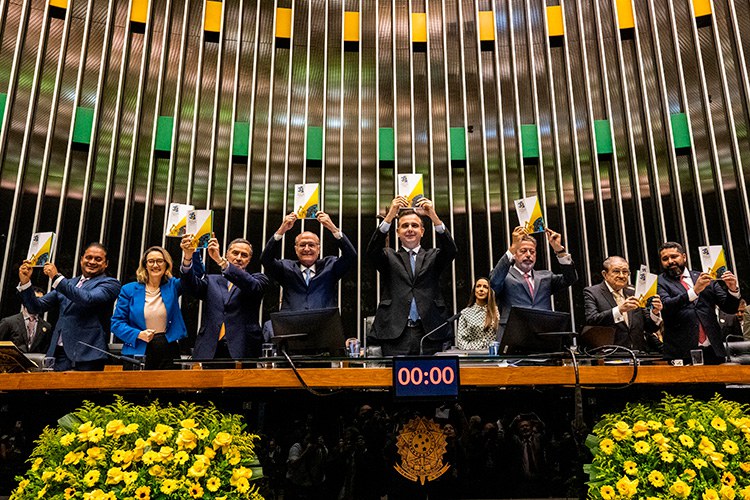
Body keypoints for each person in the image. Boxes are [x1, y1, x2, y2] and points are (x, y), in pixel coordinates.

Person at [366, 196, 457, 355]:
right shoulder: (388, 256)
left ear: (422, 231)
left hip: (429, 332)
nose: (410, 229)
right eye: (404, 226)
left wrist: (433, 216)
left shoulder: (433, 256)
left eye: (415, 225)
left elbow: (451, 250)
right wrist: (390, 215)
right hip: (395, 334)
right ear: (398, 232)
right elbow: (372, 251)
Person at [16, 243, 121, 371]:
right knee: (54, 390)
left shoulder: (110, 283)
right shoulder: (70, 283)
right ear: (81, 259)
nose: (92, 262)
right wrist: (25, 282)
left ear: (106, 264)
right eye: (88, 257)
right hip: (58, 353)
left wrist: (56, 277)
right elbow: (36, 307)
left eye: (98, 259)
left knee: (82, 391)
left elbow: (87, 298)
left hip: (88, 354)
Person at [180, 233, 270, 360]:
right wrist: (188, 257)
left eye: (244, 255)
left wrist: (221, 261)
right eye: (235, 253)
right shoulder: (211, 280)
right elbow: (190, 287)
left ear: (249, 260)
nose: (239, 258)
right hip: (210, 348)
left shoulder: (258, 279)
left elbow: (251, 286)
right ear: (227, 254)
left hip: (244, 348)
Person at [657, 241, 740, 364]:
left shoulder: (704, 276)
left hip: (712, 350)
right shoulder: (660, 281)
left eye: (674, 256)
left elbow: (729, 308)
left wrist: (733, 289)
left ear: (684, 257)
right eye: (665, 259)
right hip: (681, 351)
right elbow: (667, 306)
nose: (670, 261)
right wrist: (694, 291)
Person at [260, 211, 357, 311]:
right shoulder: (286, 267)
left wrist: (333, 229)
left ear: (318, 249)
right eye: (302, 245)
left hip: (324, 323)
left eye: (311, 245)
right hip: (292, 324)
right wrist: (281, 231)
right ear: (296, 249)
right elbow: (266, 259)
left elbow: (351, 256)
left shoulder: (330, 266)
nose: (306, 249)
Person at [489, 226, 577, 334]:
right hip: (513, 334)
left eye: (532, 251)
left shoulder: (546, 276)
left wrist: (559, 250)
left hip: (543, 333)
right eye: (523, 251)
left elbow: (570, 279)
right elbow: (494, 282)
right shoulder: (504, 276)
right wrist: (512, 247)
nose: (528, 255)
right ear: (515, 255)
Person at [111, 246, 187, 370]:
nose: (155, 265)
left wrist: (189, 255)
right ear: (145, 265)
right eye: (151, 261)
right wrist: (138, 334)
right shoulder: (129, 289)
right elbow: (116, 324)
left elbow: (191, 278)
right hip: (137, 349)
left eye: (160, 261)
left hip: (167, 349)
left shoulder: (173, 286)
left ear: (166, 264)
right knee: (137, 389)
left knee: (166, 389)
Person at [583, 256, 663, 353]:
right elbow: (591, 320)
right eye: (616, 271)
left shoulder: (634, 292)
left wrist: (655, 312)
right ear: (605, 274)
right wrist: (619, 310)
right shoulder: (592, 292)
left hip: (638, 355)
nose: (622, 276)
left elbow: (650, 328)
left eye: (625, 272)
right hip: (609, 356)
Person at [0, 287, 52, 354]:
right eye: (34, 299)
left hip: (34, 363)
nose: (37, 303)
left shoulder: (46, 327)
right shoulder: (8, 322)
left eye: (41, 300)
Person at [455, 278, 499, 350]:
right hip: (473, 355)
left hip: (493, 354)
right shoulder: (465, 313)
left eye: (485, 287)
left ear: (489, 291)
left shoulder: (497, 311)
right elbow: (461, 341)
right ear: (474, 290)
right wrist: (476, 351)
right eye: (478, 286)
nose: (481, 289)